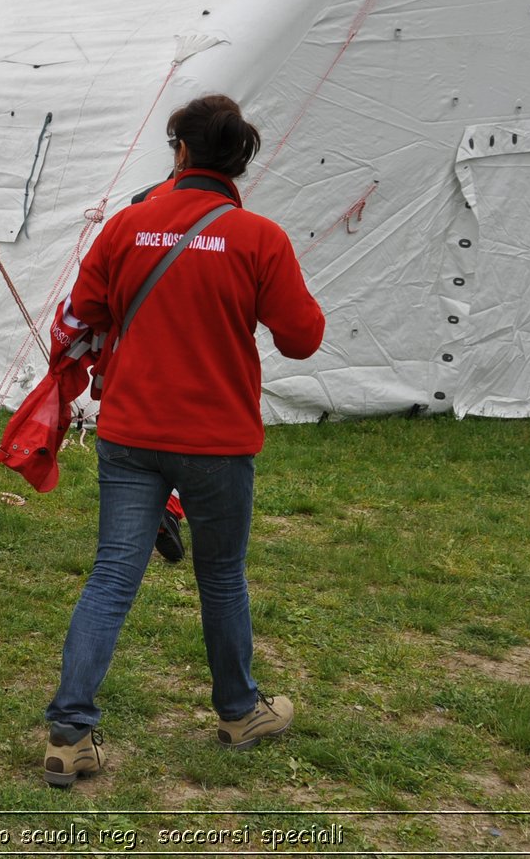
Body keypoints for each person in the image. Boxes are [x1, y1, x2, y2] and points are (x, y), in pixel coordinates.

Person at [42, 94, 325, 786]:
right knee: (221, 573)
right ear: (240, 163)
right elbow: (304, 337)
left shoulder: (127, 227)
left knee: (113, 574)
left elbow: (77, 315)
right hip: (217, 438)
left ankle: (69, 734)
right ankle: (237, 710)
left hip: (131, 430)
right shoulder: (259, 237)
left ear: (180, 152)